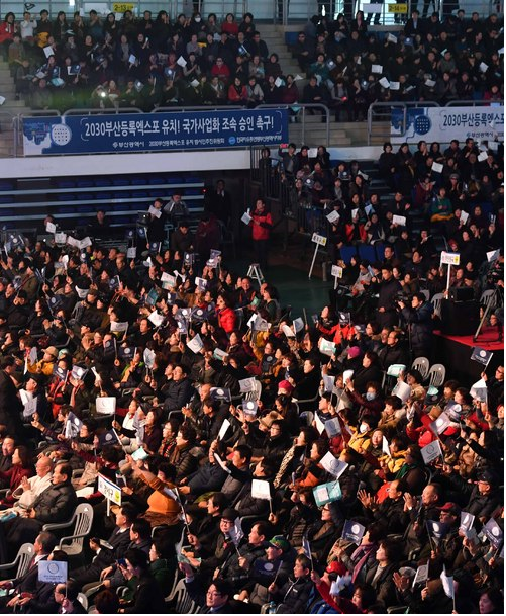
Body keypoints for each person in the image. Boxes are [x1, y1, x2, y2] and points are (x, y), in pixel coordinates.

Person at [248, 198, 273, 271]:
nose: (257, 205)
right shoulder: (253, 213)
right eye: (257, 203)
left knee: (263, 254)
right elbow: (250, 224)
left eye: (259, 203)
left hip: (264, 237)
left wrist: (259, 223)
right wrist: (248, 219)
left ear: (263, 205)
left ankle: (264, 268)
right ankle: (257, 269)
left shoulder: (267, 213)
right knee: (256, 254)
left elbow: (269, 225)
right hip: (255, 236)